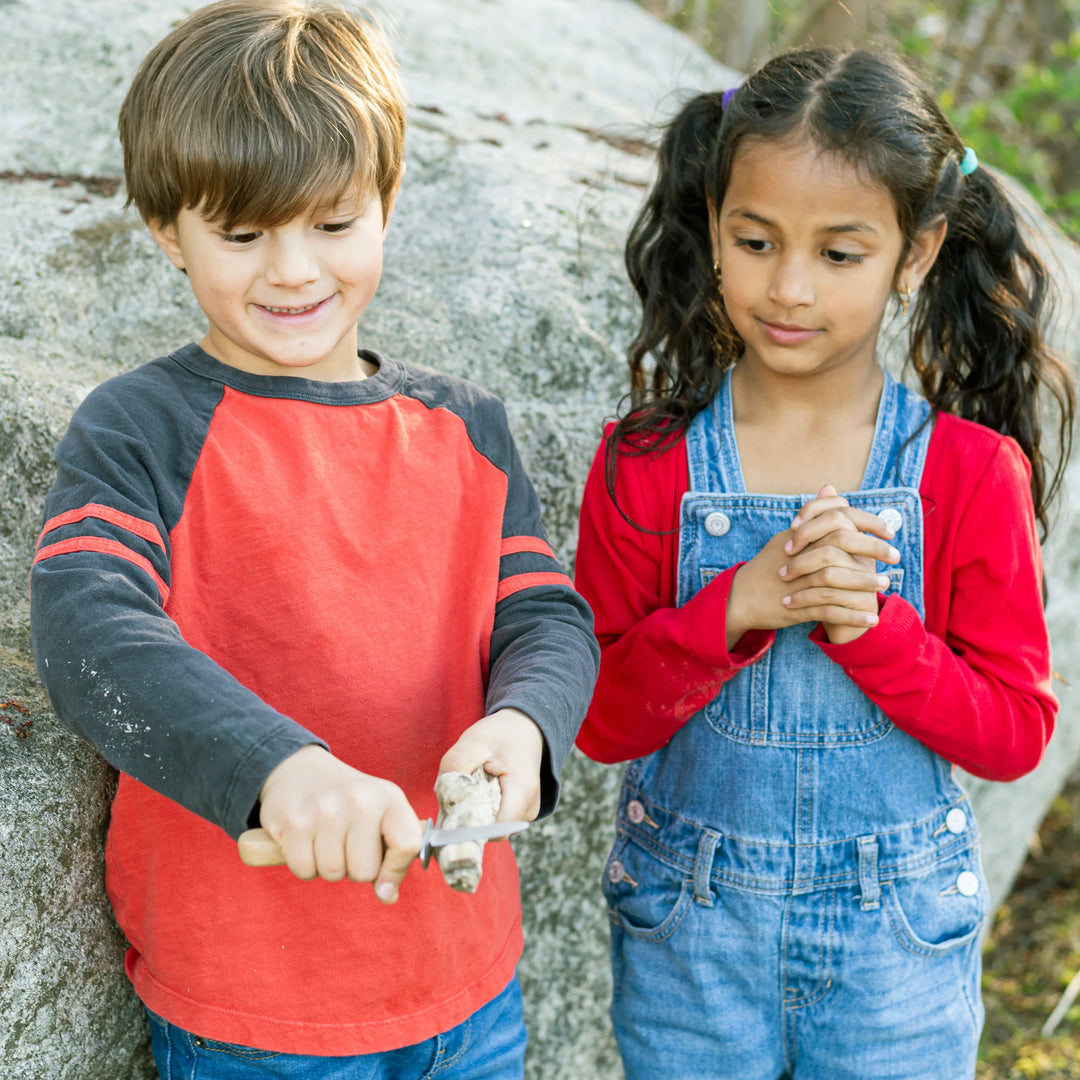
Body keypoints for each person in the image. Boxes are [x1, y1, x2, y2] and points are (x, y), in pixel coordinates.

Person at [29, 1, 599, 1075]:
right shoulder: (140, 426)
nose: (293, 272)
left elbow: (545, 615)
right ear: (168, 230)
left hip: (471, 986)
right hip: (255, 1014)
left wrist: (523, 727)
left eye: (333, 225)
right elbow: (85, 626)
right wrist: (277, 769)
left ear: (386, 204)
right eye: (242, 236)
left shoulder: (468, 430)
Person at [574, 46, 1074, 1080]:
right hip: (690, 936)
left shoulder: (969, 473)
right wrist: (735, 609)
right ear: (713, 223)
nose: (789, 288)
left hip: (899, 945)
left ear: (918, 251)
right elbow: (597, 715)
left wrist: (870, 629)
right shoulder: (646, 465)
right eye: (756, 241)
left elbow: (1015, 731)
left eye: (841, 255)